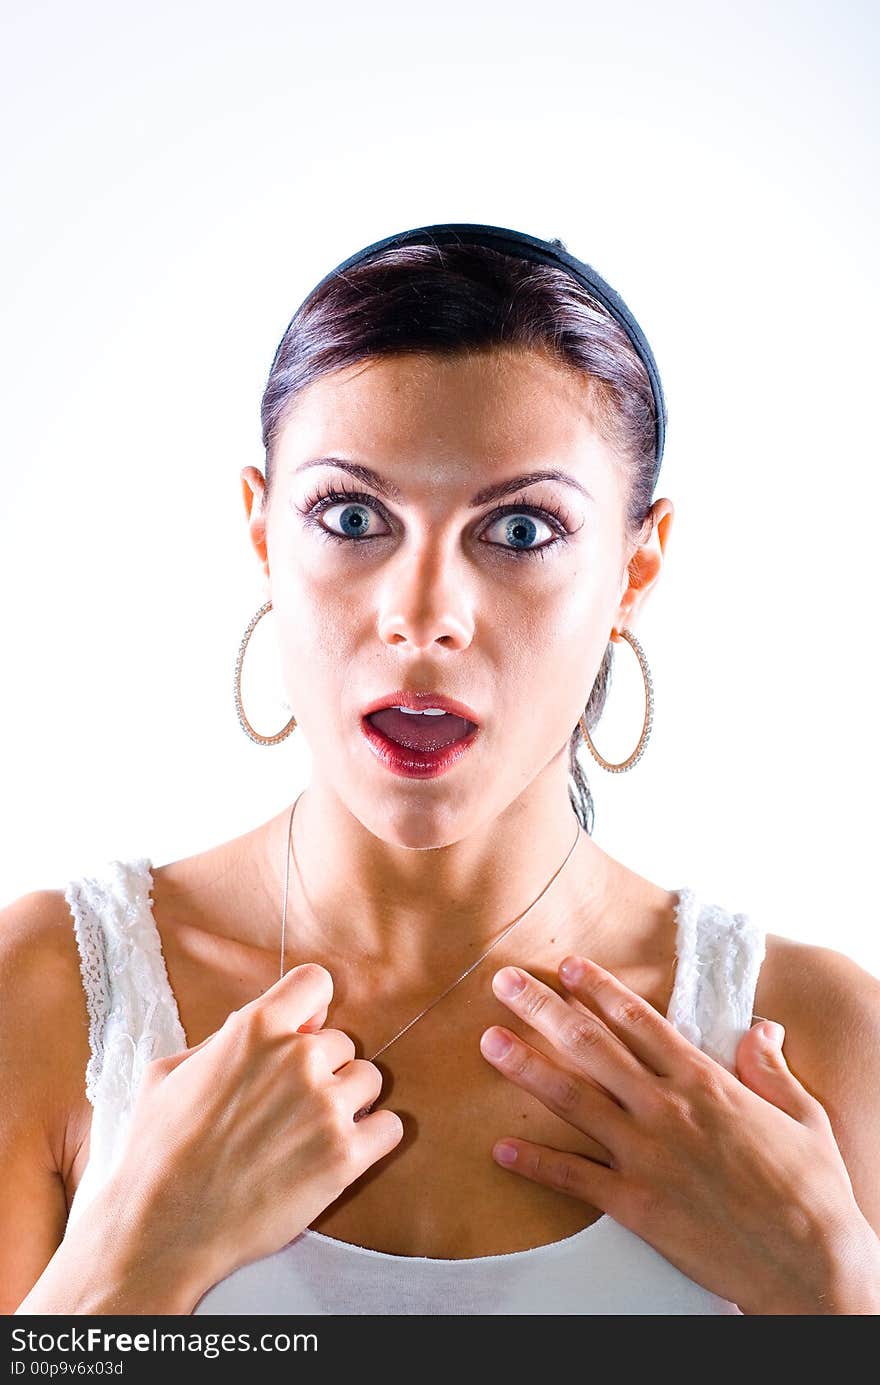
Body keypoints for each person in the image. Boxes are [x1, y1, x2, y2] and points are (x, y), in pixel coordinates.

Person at [5, 225, 880, 1316]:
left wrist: (839, 1302)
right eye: (353, 515)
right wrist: (129, 1265)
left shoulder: (814, 1041)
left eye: (518, 527)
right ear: (263, 531)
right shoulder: (42, 1000)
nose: (421, 616)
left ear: (635, 566)